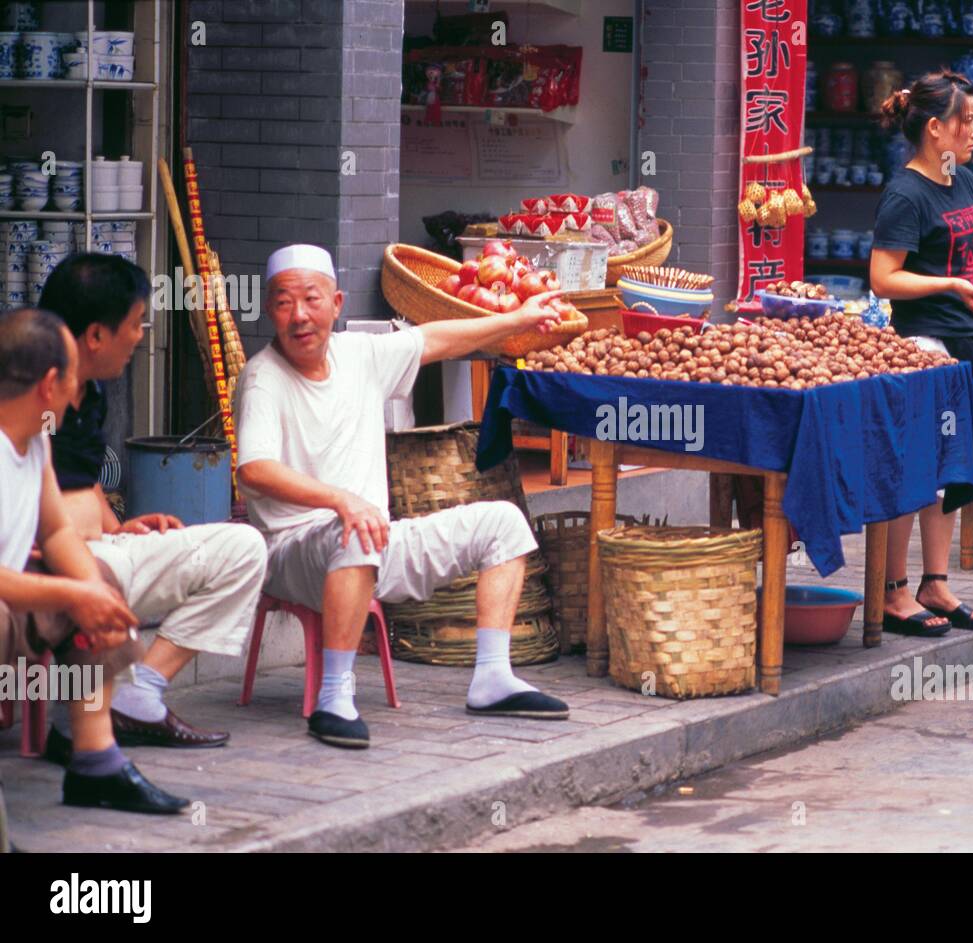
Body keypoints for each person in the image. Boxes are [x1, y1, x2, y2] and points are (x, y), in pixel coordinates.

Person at [234, 245, 571, 750]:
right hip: (293, 551)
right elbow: (254, 469)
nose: (299, 315)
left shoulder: (357, 354)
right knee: (357, 533)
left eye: (310, 299)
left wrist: (514, 320)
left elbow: (436, 339)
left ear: (337, 302)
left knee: (503, 523)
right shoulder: (263, 377)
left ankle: (492, 678)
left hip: (372, 539)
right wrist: (341, 501)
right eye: (283, 302)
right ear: (269, 309)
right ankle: (333, 697)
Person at [37, 254, 267, 757]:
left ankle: (139, 694)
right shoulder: (34, 397)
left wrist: (121, 527)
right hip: (53, 568)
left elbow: (74, 479)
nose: (141, 335)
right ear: (96, 335)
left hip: (104, 549)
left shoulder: (90, 392)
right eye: (136, 324)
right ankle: (77, 729)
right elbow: (32, 492)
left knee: (243, 547)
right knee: (95, 579)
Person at [0, 307, 187, 814]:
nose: (78, 390)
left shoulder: (36, 435)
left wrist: (95, 596)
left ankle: (96, 765)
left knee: (96, 576)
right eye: (73, 377)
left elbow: (56, 530)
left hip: (14, 595)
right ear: (50, 383)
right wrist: (71, 594)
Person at [869, 69, 973, 637]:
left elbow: (962, 252)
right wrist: (949, 286)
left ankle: (934, 582)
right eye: (967, 121)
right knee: (914, 472)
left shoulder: (961, 181)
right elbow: (884, 278)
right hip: (923, 345)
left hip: (966, 344)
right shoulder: (904, 193)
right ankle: (892, 592)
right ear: (935, 128)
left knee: (946, 472)